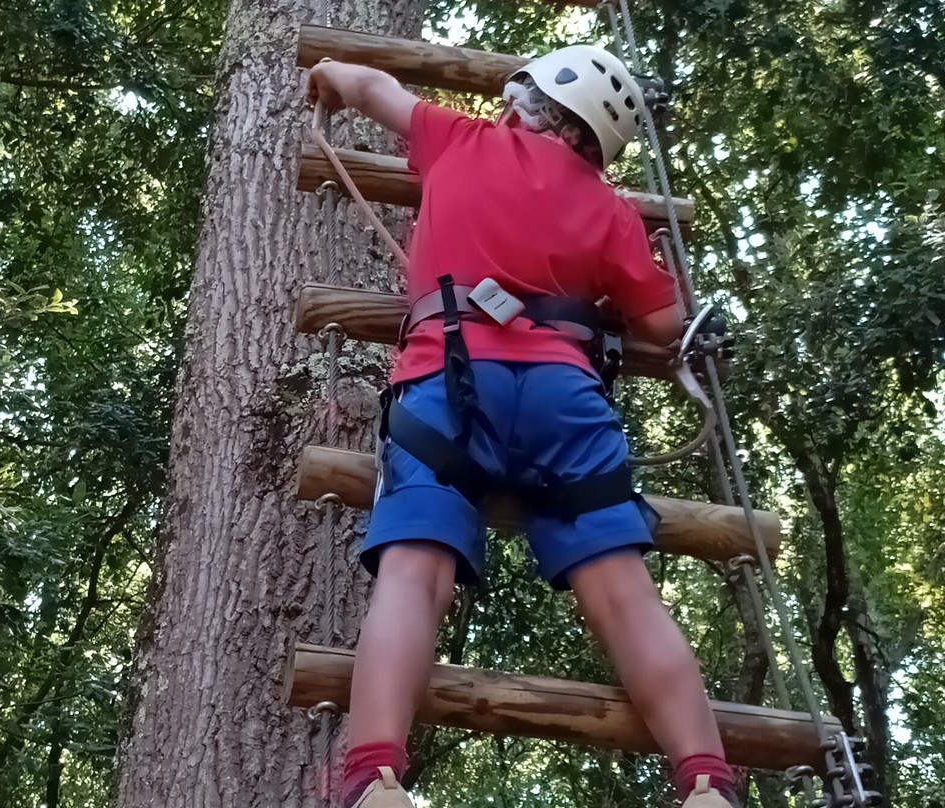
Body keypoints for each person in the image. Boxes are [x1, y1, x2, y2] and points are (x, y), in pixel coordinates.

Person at [307, 44, 739, 808]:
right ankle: (706, 782)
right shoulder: (611, 211)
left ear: (527, 102)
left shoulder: (463, 139)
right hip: (562, 399)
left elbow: (372, 87)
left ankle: (373, 777)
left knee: (415, 571)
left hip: (447, 379)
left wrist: (331, 78)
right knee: (623, 591)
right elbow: (666, 321)